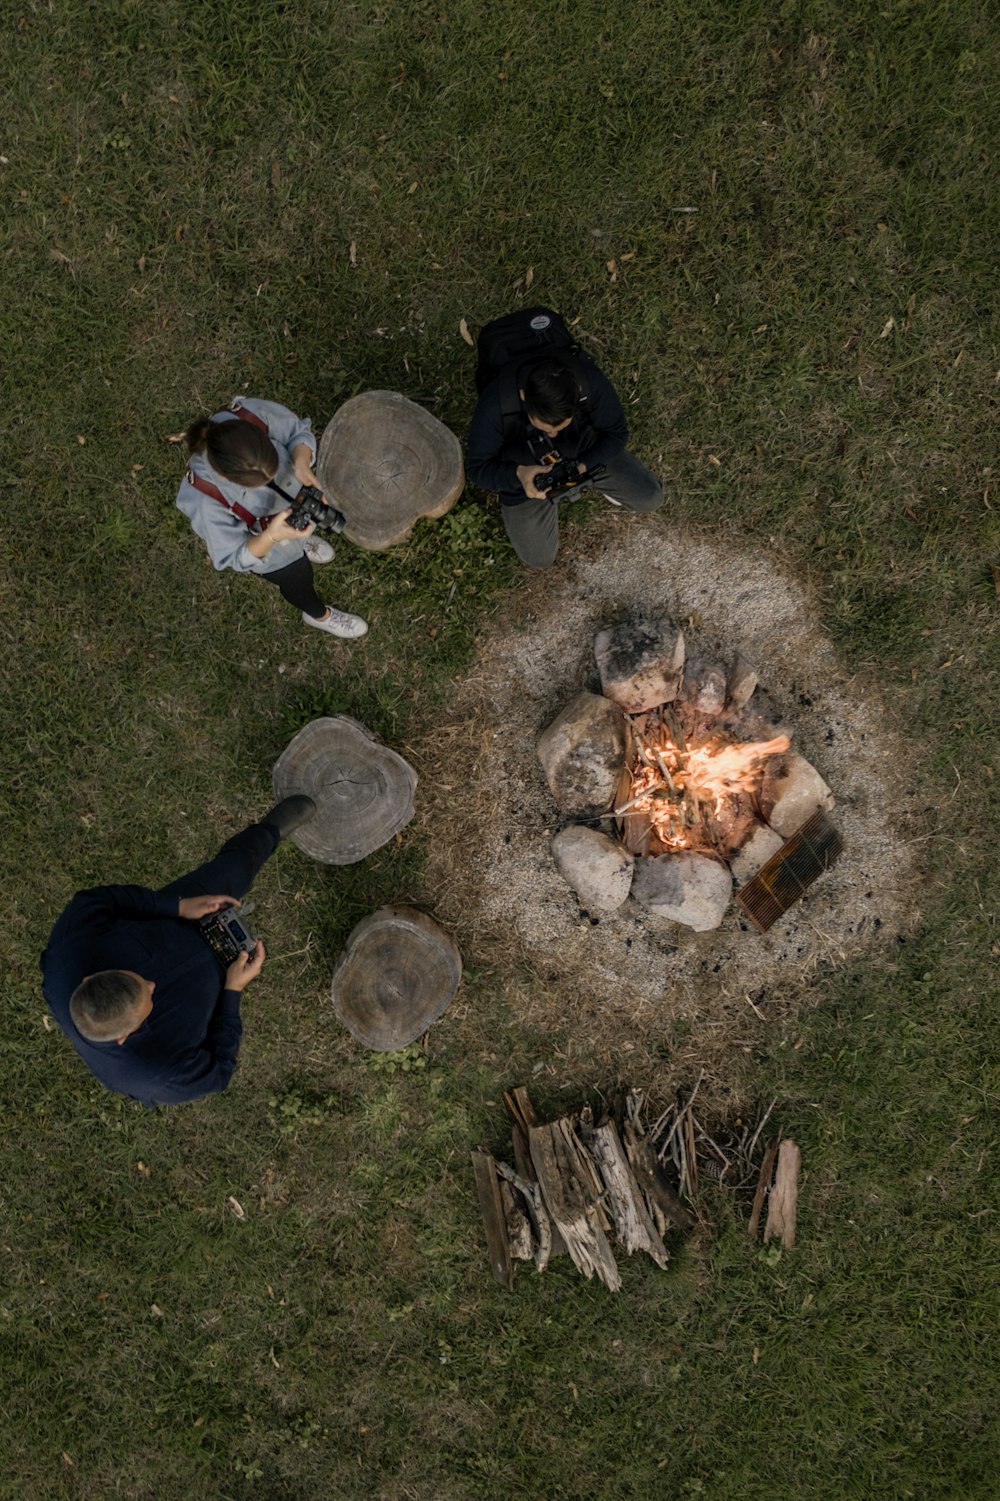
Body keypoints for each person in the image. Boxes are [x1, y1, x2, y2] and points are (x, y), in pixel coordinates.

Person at [41, 796, 316, 1106]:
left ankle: (269, 832)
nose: (151, 983)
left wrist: (176, 906)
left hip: (173, 921)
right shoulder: (159, 1076)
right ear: (124, 1037)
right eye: (149, 998)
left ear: (91, 976)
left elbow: (100, 901)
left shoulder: (68, 953)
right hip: (215, 982)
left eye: (139, 977)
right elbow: (220, 1068)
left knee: (233, 869)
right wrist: (232, 990)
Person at [177, 396, 368, 640]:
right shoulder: (205, 499)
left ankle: (302, 542)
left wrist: (300, 461)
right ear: (225, 477)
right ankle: (319, 615)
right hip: (273, 554)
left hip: (288, 521)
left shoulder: (251, 414)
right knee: (299, 581)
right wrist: (272, 536)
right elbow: (233, 555)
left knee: (302, 535)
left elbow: (296, 432)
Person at [467, 350, 663, 569]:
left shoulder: (589, 382)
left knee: (651, 497)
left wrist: (583, 466)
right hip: (524, 470)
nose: (553, 434)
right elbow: (477, 469)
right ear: (524, 397)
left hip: (583, 449)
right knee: (539, 559)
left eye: (561, 426)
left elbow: (616, 433)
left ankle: (600, 482)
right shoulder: (494, 406)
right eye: (546, 427)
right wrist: (519, 475)